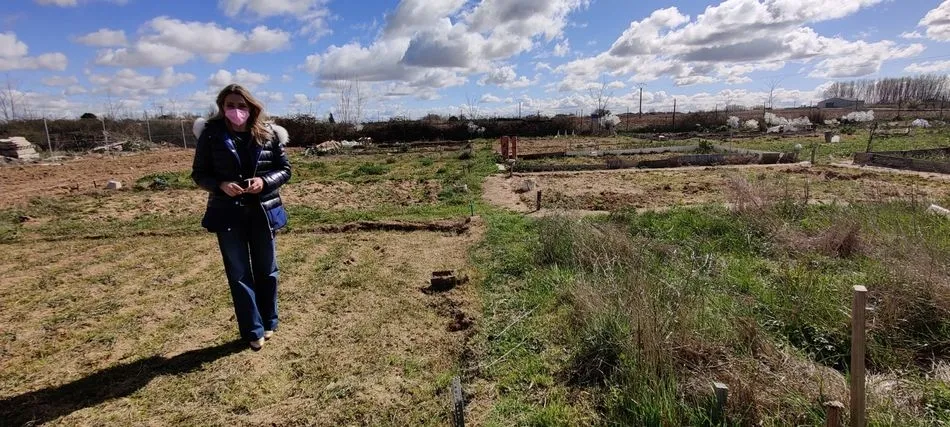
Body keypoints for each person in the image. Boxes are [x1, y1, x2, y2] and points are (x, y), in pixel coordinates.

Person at [191, 84, 291, 351]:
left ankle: (269, 320)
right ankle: (252, 329)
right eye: (230, 105)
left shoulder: (267, 134)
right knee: (238, 274)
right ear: (222, 107)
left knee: (267, 270)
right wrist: (220, 185)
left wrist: (264, 181)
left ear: (251, 108)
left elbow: (284, 169)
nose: (236, 111)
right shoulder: (211, 136)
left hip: (262, 211)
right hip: (227, 213)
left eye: (241, 105)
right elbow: (199, 174)